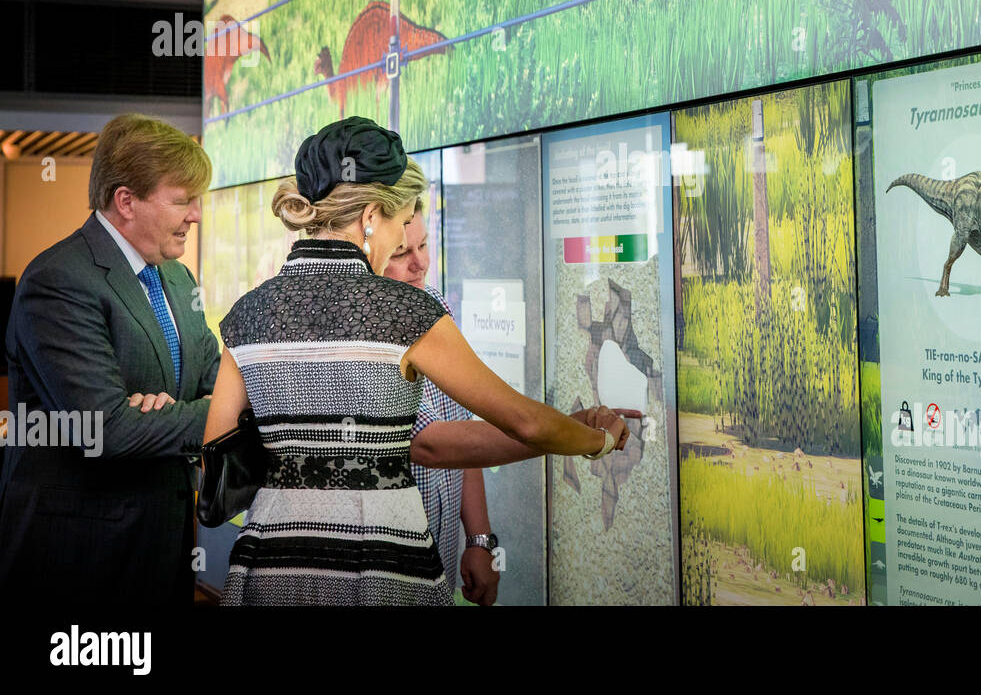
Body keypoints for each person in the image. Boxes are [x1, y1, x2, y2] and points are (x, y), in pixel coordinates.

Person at [204, 117, 631, 605]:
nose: (403, 241)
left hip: (269, 565)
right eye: (401, 222)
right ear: (370, 216)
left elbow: (217, 452)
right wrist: (596, 440)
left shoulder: (246, 314)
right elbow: (523, 422)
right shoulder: (408, 312)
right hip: (382, 566)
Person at [0, 113, 220, 605]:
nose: (196, 215)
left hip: (161, 542)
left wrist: (170, 412)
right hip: (79, 554)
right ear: (126, 201)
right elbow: (107, 429)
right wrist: (211, 413)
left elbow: (217, 376)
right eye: (183, 200)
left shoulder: (177, 278)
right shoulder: (58, 280)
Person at [384, 198, 499, 606]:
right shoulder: (365, 334)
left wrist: (479, 540)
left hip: (443, 563)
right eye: (401, 252)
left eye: (423, 245)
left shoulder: (437, 307)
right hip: (390, 576)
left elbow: (461, 425)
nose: (420, 263)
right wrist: (565, 433)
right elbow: (433, 442)